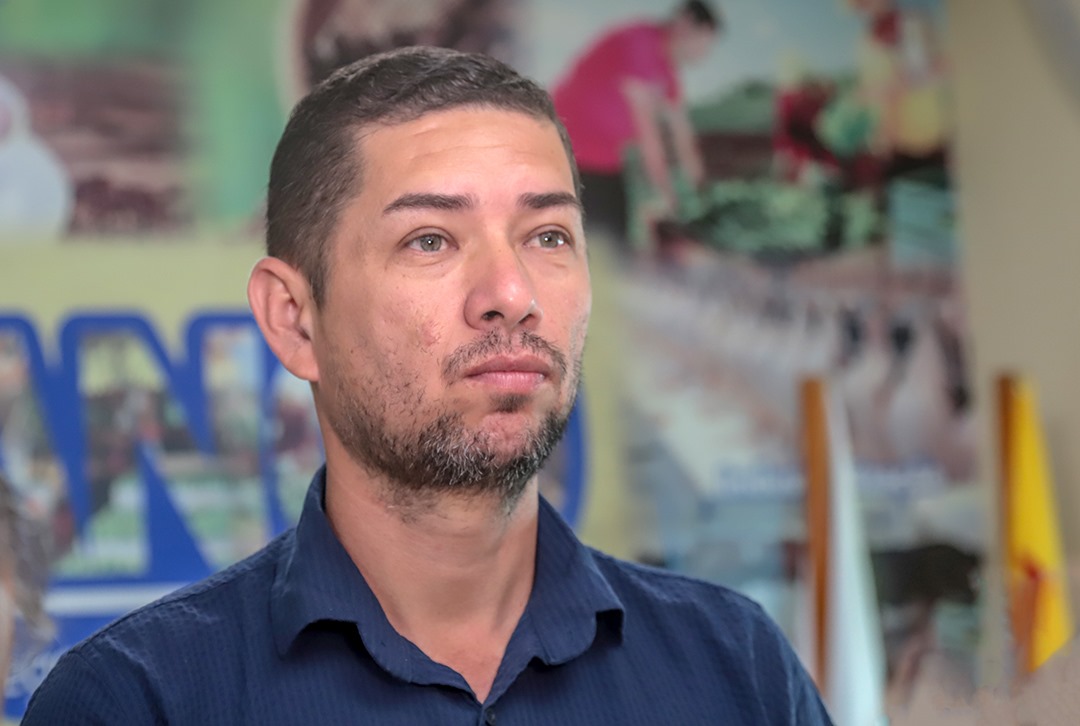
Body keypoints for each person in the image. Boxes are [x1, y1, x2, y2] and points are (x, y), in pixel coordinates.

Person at [23, 46, 832, 724]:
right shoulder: (138, 702)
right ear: (294, 320)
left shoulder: (737, 671)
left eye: (549, 235)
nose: (512, 293)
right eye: (430, 240)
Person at [552, 1, 720, 244]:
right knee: (596, 243)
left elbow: (682, 136)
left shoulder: (668, 71)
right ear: (685, 25)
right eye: (703, 41)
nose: (704, 52)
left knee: (615, 241)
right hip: (567, 153)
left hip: (604, 161)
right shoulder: (640, 43)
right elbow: (648, 135)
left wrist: (701, 190)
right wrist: (668, 196)